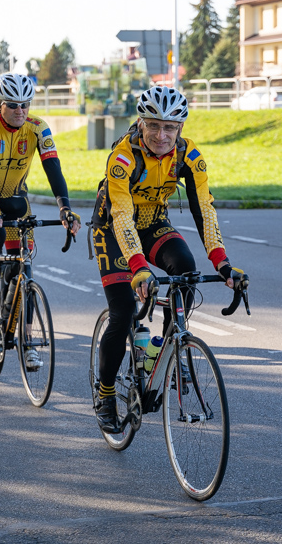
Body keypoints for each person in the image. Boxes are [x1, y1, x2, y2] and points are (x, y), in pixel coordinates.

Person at [90, 86, 244, 433]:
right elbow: (123, 215)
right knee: (124, 311)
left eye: (171, 128)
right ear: (141, 124)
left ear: (181, 129)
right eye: (155, 126)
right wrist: (139, 267)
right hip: (114, 230)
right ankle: (106, 392)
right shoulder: (123, 158)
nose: (162, 135)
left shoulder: (189, 156)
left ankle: (168, 346)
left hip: (155, 224)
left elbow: (204, 208)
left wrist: (222, 263)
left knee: (187, 271)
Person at [0, 72, 81, 369]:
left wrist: (64, 207)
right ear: (0, 104)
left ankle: (27, 342)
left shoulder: (38, 128)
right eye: (13, 105)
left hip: (17, 198)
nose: (20, 111)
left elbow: (53, 167)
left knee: (25, 267)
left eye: (25, 105)